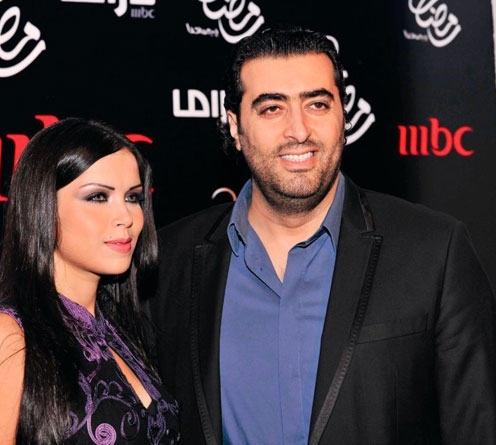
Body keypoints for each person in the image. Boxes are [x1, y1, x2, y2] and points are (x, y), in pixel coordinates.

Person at [142, 25, 496, 444]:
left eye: (317, 104)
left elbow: (476, 428)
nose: (299, 130)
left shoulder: (434, 251)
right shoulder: (170, 260)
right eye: (272, 108)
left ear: (343, 115)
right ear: (235, 127)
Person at [0, 117, 180, 444]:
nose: (126, 217)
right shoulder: (4, 336)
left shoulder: (124, 329)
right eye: (98, 197)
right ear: (43, 206)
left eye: (133, 197)